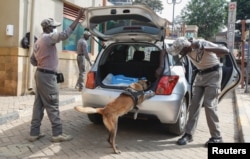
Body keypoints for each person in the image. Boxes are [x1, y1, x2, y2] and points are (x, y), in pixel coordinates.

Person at [157, 37, 229, 147]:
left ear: (186, 47)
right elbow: (163, 51)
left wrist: (204, 47)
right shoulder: (184, 48)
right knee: (194, 105)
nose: (180, 54)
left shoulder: (203, 43)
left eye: (181, 51)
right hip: (200, 75)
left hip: (214, 74)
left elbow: (225, 51)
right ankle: (188, 134)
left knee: (210, 105)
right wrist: (161, 66)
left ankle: (217, 137)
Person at [28, 8, 85, 142]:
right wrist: (77, 19)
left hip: (40, 75)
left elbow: (32, 60)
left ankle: (34, 133)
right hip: (47, 77)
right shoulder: (48, 38)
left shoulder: (38, 41)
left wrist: (44, 62)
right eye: (54, 27)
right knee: (53, 104)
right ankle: (57, 134)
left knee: (38, 104)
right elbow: (64, 35)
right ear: (48, 28)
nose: (55, 29)